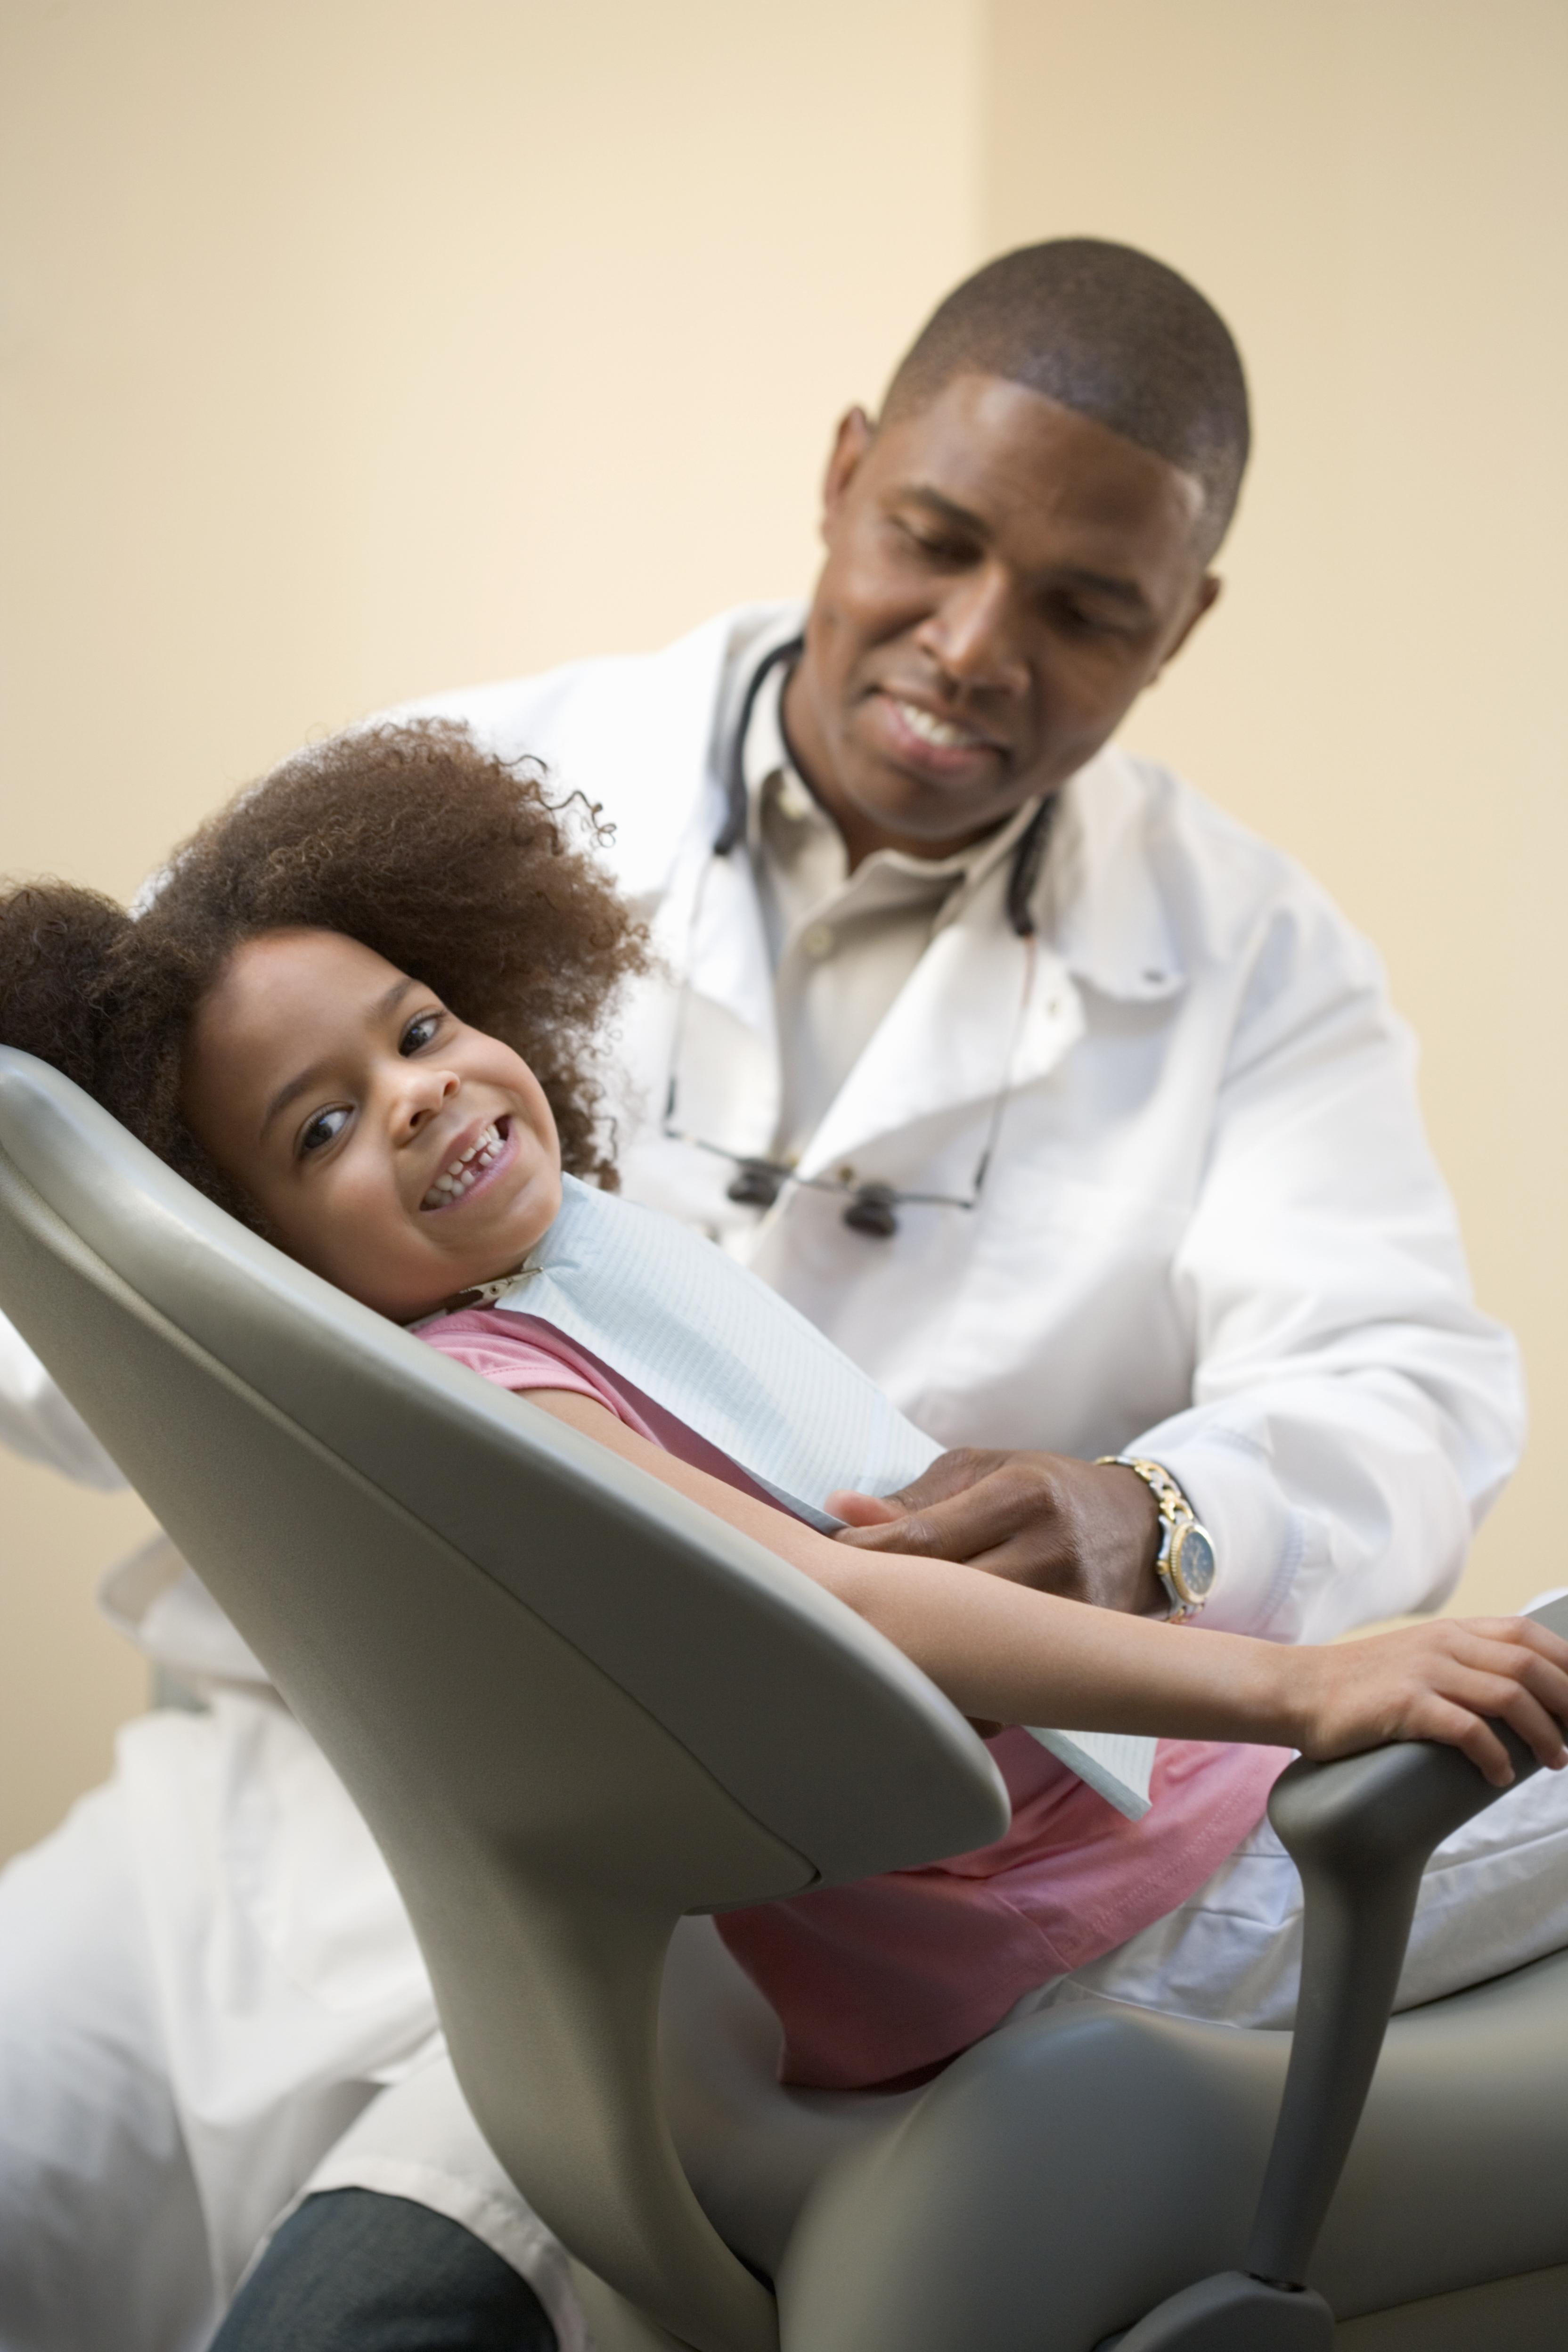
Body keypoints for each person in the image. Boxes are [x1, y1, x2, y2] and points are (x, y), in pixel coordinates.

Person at [0, 239, 1532, 2349]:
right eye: (933, 539)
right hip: (287, 1775)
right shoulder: (437, 813)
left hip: (746, 1883)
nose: (977, 644)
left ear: (1181, 632)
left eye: (1089, 606)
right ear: (842, 475)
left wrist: (1164, 1519)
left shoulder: (1258, 966)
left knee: (389, 2294)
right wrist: (378, 1418)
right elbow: (112, 1233)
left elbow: (1396, 1377)